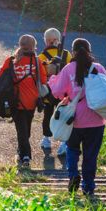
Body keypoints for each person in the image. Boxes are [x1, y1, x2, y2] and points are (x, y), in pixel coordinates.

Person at [47, 38, 106, 198]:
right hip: (96, 119)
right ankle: (88, 186)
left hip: (74, 120)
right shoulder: (99, 68)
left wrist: (53, 78)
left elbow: (57, 92)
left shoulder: (68, 69)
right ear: (89, 51)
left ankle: (73, 174)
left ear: (73, 52)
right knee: (90, 155)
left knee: (72, 149)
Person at [0, 34, 49, 166]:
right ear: (33, 47)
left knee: (22, 130)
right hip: (31, 101)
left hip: (15, 100)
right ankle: (24, 154)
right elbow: (43, 81)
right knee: (25, 128)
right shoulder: (37, 61)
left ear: (20, 45)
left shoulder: (10, 60)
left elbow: (0, 76)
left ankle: (24, 155)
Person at [39, 27, 72, 155]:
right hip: (64, 93)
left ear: (46, 41)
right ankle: (64, 143)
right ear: (58, 41)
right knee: (63, 117)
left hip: (48, 92)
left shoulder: (41, 56)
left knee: (48, 115)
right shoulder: (67, 54)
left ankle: (46, 139)